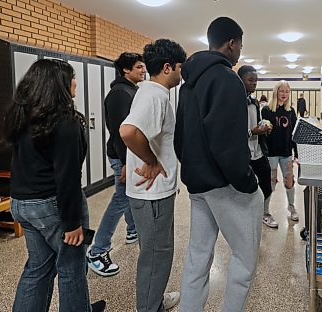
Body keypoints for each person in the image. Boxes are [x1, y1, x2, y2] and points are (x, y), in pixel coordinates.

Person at [174, 17, 263, 312]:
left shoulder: (189, 84)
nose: (240, 52)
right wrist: (248, 182)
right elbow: (227, 143)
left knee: (198, 256)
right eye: (240, 45)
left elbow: (180, 138)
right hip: (224, 185)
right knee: (245, 257)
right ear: (231, 43)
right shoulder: (227, 80)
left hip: (197, 185)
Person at [2, 59, 106, 311]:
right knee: (72, 268)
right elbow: (68, 177)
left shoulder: (22, 116)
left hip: (21, 203)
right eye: (71, 77)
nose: (75, 82)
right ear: (57, 84)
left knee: (38, 267)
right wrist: (72, 224)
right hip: (52, 205)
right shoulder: (65, 122)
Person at [119, 39, 186, 312]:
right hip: (152, 193)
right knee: (156, 255)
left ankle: (154, 300)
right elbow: (128, 131)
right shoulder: (155, 95)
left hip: (153, 191)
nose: (182, 74)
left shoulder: (150, 93)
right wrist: (151, 160)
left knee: (158, 251)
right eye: (180, 68)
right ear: (168, 67)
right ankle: (149, 307)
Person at [87, 52, 146, 277]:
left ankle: (132, 231)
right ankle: (97, 251)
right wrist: (124, 163)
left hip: (128, 154)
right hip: (123, 155)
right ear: (125, 70)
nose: (143, 70)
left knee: (127, 194)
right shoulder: (120, 93)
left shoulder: (131, 89)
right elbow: (121, 131)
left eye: (143, 67)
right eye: (139, 67)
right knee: (121, 198)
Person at [237, 65, 276, 228]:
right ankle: (245, 217)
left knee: (267, 184)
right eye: (250, 80)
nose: (254, 84)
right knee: (244, 189)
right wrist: (251, 132)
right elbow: (231, 130)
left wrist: (264, 127)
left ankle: (263, 213)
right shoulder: (234, 102)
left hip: (258, 152)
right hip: (242, 153)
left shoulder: (254, 102)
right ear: (240, 80)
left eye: (256, 80)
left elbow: (257, 122)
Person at [261, 80, 299, 222]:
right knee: (269, 182)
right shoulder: (266, 110)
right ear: (276, 92)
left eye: (286, 91)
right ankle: (265, 212)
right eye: (281, 91)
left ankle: (291, 206)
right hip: (270, 153)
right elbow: (262, 132)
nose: (284, 94)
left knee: (289, 181)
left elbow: (295, 133)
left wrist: (297, 153)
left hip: (286, 152)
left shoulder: (290, 111)